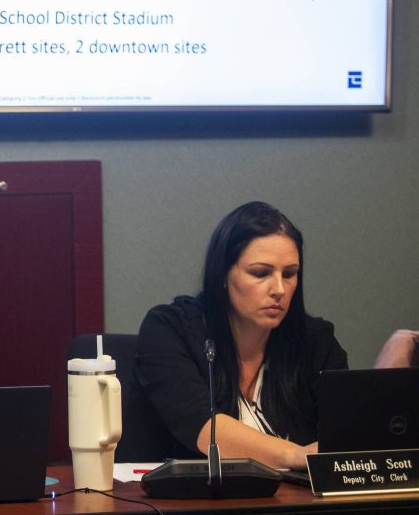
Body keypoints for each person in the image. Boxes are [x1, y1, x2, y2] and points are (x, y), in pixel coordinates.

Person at [132, 201, 347, 470]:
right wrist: (294, 455)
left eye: (290, 274)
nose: (279, 289)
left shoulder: (315, 341)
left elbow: (348, 433)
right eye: (261, 273)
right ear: (223, 274)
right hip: (193, 504)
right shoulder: (170, 328)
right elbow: (202, 427)